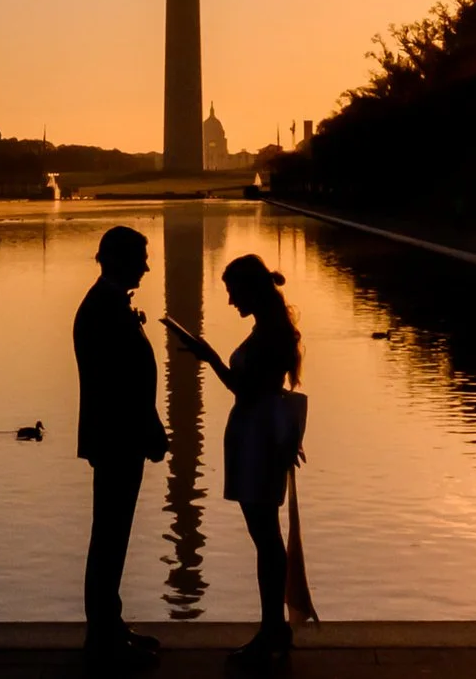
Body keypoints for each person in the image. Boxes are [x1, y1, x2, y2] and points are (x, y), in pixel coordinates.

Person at [169, 253, 306, 670]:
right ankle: (274, 627)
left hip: (257, 439)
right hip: (256, 436)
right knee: (266, 536)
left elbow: (247, 391)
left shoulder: (269, 335)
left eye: (232, 291)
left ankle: (272, 629)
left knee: (265, 537)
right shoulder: (268, 329)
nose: (229, 300)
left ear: (250, 289)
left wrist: (208, 356)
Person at [75, 225, 167, 668]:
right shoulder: (105, 309)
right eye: (142, 258)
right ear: (120, 259)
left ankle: (110, 626)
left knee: (113, 535)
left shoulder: (107, 304)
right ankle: (103, 640)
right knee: (109, 537)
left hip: (118, 435)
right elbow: (118, 385)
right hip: (118, 438)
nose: (148, 267)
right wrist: (149, 427)